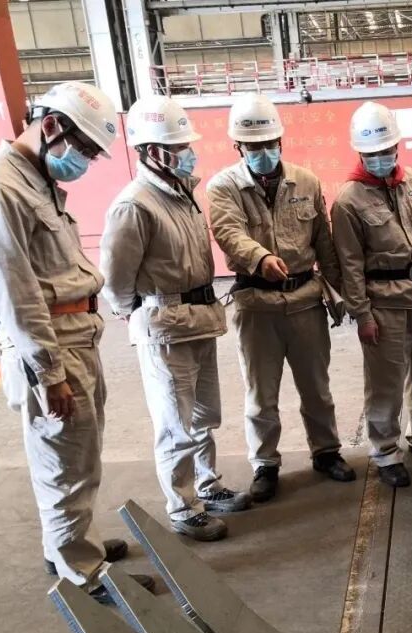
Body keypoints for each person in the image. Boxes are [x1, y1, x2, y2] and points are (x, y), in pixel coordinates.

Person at [0, 82, 153, 605]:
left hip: (72, 337)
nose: (84, 161)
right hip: (50, 346)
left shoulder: (33, 182)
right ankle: (82, 574)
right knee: (65, 464)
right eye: (82, 148)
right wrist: (49, 372)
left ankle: (69, 547)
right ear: (50, 127)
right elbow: (15, 293)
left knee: (76, 456)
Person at [100, 95, 248, 542]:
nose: (189, 153)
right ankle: (183, 509)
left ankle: (207, 486)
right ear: (153, 152)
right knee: (175, 426)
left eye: (187, 145)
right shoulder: (135, 205)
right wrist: (140, 312)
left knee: (203, 416)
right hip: (166, 328)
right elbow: (115, 280)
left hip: (199, 319)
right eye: (180, 146)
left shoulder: (182, 195)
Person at [206, 93, 355, 503]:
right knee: (261, 395)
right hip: (257, 305)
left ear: (280, 141)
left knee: (317, 388)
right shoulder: (223, 187)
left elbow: (324, 242)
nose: (263, 152)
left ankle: (326, 452)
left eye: (269, 144)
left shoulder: (306, 181)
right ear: (238, 147)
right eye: (253, 146)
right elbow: (228, 233)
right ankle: (265, 464)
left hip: (305, 300)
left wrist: (339, 294)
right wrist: (260, 257)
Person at [330, 101, 412, 488]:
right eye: (372, 153)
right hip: (384, 303)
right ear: (360, 153)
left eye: (386, 150)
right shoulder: (348, 201)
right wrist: (362, 315)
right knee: (385, 382)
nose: (381, 158)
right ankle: (385, 450)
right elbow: (350, 265)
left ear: (396, 147)